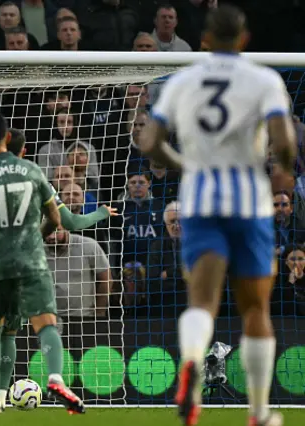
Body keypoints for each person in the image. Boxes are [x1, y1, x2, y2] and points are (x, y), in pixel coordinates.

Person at [139, 6, 296, 426]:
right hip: (249, 204)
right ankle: (260, 412)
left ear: (205, 39)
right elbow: (284, 140)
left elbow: (149, 139)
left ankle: (192, 361)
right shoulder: (264, 80)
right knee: (255, 310)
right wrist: (282, 166)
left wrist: (181, 163)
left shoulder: (185, 80)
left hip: (202, 202)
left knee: (201, 302)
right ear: (244, 40)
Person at [0, 128, 117, 401]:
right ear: (24, 151)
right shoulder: (37, 178)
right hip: (26, 270)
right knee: (10, 334)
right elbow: (70, 223)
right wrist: (100, 212)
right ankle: (6, 394)